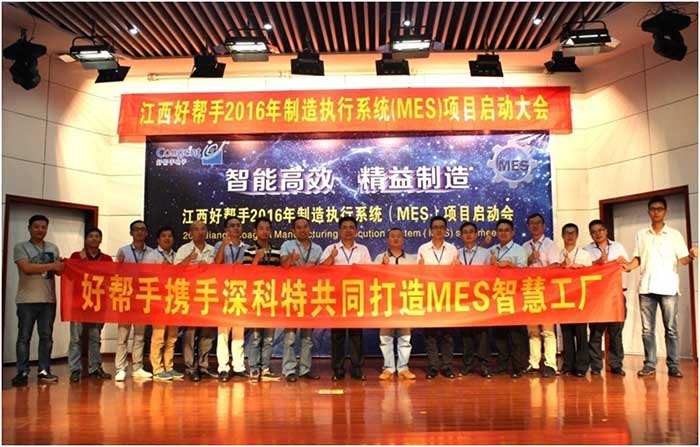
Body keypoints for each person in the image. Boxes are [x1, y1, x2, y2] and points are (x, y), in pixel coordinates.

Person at [622, 196, 697, 378]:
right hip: (646, 288)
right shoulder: (641, 234)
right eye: (653, 209)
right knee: (647, 330)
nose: (656, 212)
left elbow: (683, 259)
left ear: (665, 211)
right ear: (648, 211)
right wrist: (628, 266)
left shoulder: (674, 234)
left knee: (671, 329)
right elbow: (638, 258)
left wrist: (692, 255)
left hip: (668, 287)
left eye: (660, 209)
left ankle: (673, 365)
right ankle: (649, 364)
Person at [11, 214, 65, 387]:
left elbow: (59, 271)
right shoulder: (21, 247)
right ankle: (22, 371)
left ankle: (44, 370)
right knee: (24, 337)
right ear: (29, 228)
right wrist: (52, 265)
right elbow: (26, 268)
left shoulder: (53, 247)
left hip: (49, 300)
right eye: (36, 227)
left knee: (46, 337)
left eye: (43, 227)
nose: (40, 230)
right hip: (26, 299)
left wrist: (63, 265)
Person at [320, 216, 372, 381]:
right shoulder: (331, 248)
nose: (348, 230)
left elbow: (369, 272)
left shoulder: (362, 250)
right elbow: (320, 270)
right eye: (345, 227)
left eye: (351, 227)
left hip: (356, 296)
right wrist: (332, 258)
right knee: (338, 336)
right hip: (336, 297)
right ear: (339, 231)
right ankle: (338, 369)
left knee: (356, 335)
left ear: (356, 231)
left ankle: (357, 369)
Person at [584, 219, 629, 376]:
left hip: (616, 296)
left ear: (606, 231)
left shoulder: (618, 247)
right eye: (594, 232)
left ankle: (616, 365)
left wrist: (623, 263)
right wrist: (598, 263)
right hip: (597, 297)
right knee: (596, 333)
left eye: (600, 230)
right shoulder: (586, 251)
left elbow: (628, 267)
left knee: (616, 333)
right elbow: (583, 272)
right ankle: (596, 366)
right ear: (590, 234)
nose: (597, 234)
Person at [280, 217, 322, 382]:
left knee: (307, 337)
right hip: (292, 293)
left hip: (310, 295)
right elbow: (283, 266)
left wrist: (315, 269)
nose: (302, 230)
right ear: (293, 231)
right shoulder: (287, 245)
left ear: (309, 229)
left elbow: (323, 271)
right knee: (290, 336)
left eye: (305, 227)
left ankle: (305, 369)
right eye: (298, 227)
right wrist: (291, 259)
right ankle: (289, 370)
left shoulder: (317, 248)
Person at [417, 216, 460, 380]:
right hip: (429, 295)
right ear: (431, 230)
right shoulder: (423, 249)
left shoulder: (452, 249)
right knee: (430, 334)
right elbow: (418, 273)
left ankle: (447, 366)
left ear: (446, 230)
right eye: (435, 227)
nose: (438, 230)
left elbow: (456, 273)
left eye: (442, 227)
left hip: (448, 295)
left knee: (448, 334)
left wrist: (458, 269)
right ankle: (433, 366)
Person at [68, 227, 113, 383]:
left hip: (98, 303)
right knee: (76, 338)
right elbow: (71, 276)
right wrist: (81, 262)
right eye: (91, 236)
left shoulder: (107, 259)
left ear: (100, 240)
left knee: (95, 337)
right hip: (79, 303)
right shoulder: (76, 256)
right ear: (86, 239)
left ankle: (95, 368)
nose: (94, 239)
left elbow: (109, 278)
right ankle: (75, 369)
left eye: (97, 236)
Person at [174, 220, 217, 382]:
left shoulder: (212, 250)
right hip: (190, 296)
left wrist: (209, 267)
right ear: (190, 233)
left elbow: (219, 272)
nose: (200, 232)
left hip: (207, 295)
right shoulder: (184, 249)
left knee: (207, 333)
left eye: (203, 229)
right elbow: (175, 271)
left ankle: (203, 366)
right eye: (197, 229)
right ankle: (190, 366)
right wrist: (189, 259)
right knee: (190, 333)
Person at [242, 216, 282, 383]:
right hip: (255, 298)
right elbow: (245, 274)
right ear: (255, 231)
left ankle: (265, 368)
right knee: (256, 336)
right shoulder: (249, 250)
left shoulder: (277, 250)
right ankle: (254, 368)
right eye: (261, 228)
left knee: (269, 338)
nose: (265, 231)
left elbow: (281, 273)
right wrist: (257, 259)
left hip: (271, 298)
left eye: (267, 228)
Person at [374, 228, 417, 381]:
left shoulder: (412, 259)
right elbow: (372, 278)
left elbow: (418, 279)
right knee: (385, 337)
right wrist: (382, 267)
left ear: (403, 239)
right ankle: (388, 368)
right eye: (392, 236)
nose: (396, 239)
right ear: (387, 239)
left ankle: (403, 367)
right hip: (386, 303)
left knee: (405, 337)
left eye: (399, 236)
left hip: (405, 301)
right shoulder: (380, 258)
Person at [114, 219, 155, 382]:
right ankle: (120, 368)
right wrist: (120, 266)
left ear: (146, 233)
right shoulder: (123, 251)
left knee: (139, 335)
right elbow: (115, 274)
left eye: (142, 229)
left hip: (143, 297)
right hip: (126, 296)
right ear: (131, 233)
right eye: (136, 229)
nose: (139, 232)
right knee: (123, 335)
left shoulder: (152, 253)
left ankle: (137, 367)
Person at [489, 218, 529, 379]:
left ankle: (519, 366)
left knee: (516, 334)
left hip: (515, 297)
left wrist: (510, 265)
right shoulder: (492, 250)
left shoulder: (520, 250)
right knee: (500, 334)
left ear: (512, 232)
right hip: (497, 296)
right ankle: (503, 364)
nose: (503, 233)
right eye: (500, 230)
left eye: (506, 230)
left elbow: (525, 273)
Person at [144, 226, 184, 381]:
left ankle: (169, 366)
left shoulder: (177, 256)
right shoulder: (151, 255)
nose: (167, 239)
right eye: (163, 236)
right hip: (158, 300)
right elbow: (145, 275)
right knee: (159, 336)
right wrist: (162, 270)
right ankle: (157, 369)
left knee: (172, 337)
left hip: (174, 299)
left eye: (170, 236)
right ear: (158, 239)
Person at [522, 213, 560, 378]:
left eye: (538, 223)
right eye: (532, 223)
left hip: (547, 291)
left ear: (543, 226)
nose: (535, 226)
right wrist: (530, 260)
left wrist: (540, 271)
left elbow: (556, 266)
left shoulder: (551, 245)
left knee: (547, 329)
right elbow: (520, 270)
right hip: (530, 291)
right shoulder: (525, 246)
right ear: (528, 226)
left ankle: (550, 364)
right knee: (532, 330)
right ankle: (534, 363)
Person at [213, 216, 250, 382]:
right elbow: (216, 264)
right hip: (224, 292)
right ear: (226, 229)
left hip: (241, 292)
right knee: (223, 332)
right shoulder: (219, 245)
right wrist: (223, 245)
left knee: (238, 332)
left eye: (238, 225)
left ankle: (239, 366)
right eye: (232, 226)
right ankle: (223, 367)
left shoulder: (247, 248)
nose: (236, 228)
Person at [457, 222, 493, 378]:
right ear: (461, 235)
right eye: (465, 232)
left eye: (471, 231)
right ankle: (468, 364)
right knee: (466, 334)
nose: (468, 234)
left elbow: (491, 274)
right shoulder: (456, 254)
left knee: (483, 334)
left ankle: (484, 365)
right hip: (463, 299)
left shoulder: (486, 253)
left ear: (476, 234)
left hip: (481, 299)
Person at [557, 223, 593, 377]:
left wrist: (580, 268)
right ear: (562, 236)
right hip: (562, 298)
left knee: (581, 333)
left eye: (573, 233)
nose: (570, 236)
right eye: (567, 233)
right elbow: (551, 272)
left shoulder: (584, 255)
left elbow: (591, 275)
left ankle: (581, 366)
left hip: (579, 298)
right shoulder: (558, 254)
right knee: (566, 333)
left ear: (577, 236)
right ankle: (568, 365)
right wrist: (561, 266)